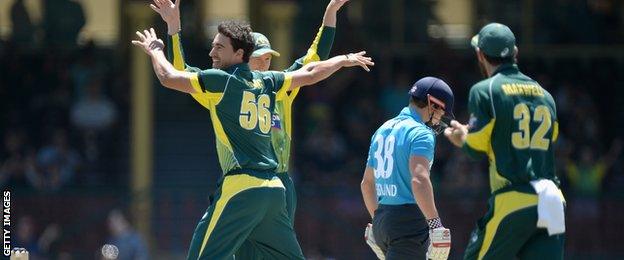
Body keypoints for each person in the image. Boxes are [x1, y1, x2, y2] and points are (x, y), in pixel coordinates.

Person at [131, 19, 373, 259]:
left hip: (243, 186)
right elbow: (309, 72)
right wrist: (342, 60)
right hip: (272, 191)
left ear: (239, 54)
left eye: (218, 46)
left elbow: (169, 76)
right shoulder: (269, 82)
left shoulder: (221, 81)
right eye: (261, 57)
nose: (211, 51)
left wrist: (156, 50)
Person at [151, 0, 348, 225]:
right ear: (242, 57)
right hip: (240, 179)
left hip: (279, 181)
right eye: (258, 58)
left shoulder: (279, 85)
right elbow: (180, 72)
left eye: (268, 58)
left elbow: (315, 58)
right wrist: (173, 30)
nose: (264, 64)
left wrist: (331, 12)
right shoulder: (224, 89)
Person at [444, 23, 565, 259]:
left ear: (480, 55)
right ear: (515, 53)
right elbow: (552, 137)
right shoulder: (545, 95)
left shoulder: (485, 89)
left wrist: (462, 138)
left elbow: (476, 147)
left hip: (514, 198)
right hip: (552, 199)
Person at [361, 77, 453, 260]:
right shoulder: (421, 133)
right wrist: (435, 224)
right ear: (432, 104)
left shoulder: (382, 129)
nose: (441, 118)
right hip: (408, 223)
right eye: (442, 111)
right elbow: (419, 179)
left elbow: (367, 184)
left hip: (382, 220)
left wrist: (379, 220)